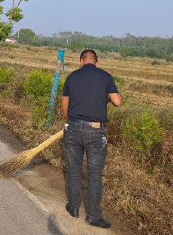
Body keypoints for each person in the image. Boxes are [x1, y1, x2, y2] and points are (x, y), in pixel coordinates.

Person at [62, 49, 121, 229]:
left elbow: (65, 103)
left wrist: (68, 122)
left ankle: (73, 207)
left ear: (81, 61)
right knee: (94, 175)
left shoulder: (72, 77)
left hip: (73, 128)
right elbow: (117, 101)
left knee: (73, 169)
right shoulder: (106, 77)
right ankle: (94, 216)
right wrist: (107, 98)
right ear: (97, 62)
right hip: (96, 132)